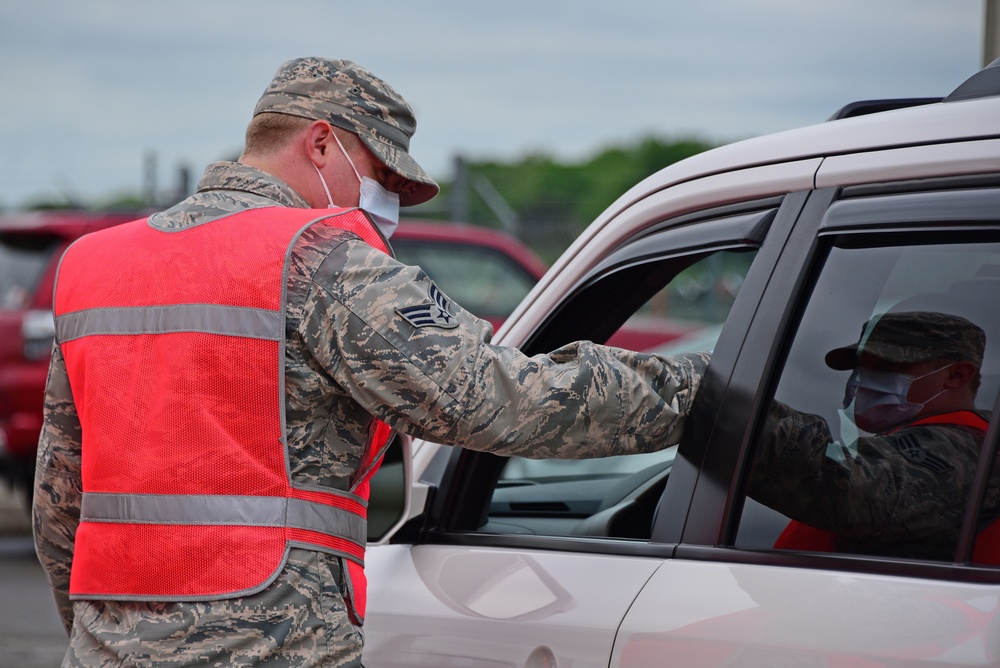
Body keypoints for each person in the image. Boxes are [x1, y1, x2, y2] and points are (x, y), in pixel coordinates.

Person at [32, 57, 710, 667]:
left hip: (105, 647)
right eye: (382, 174)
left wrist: (105, 634)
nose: (383, 200)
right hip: (271, 645)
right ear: (320, 142)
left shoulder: (92, 265)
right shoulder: (322, 258)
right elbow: (492, 398)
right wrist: (697, 390)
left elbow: (59, 501)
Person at [747, 310, 995, 560]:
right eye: (860, 366)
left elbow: (848, 486)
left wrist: (730, 411)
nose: (860, 380)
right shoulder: (921, 441)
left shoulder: (963, 451)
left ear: (957, 375)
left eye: (887, 366)